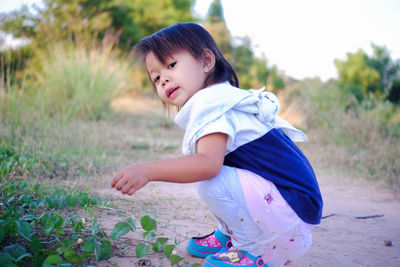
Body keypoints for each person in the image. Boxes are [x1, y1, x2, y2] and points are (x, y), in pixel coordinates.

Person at [111, 22, 323, 267]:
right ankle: (232, 233)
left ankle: (252, 252)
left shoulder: (211, 103)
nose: (164, 80)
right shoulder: (220, 97)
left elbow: (208, 165)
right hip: (296, 205)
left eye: (171, 65)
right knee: (223, 174)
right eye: (156, 78)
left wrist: (148, 171)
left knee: (210, 178)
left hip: (290, 211)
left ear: (206, 61)